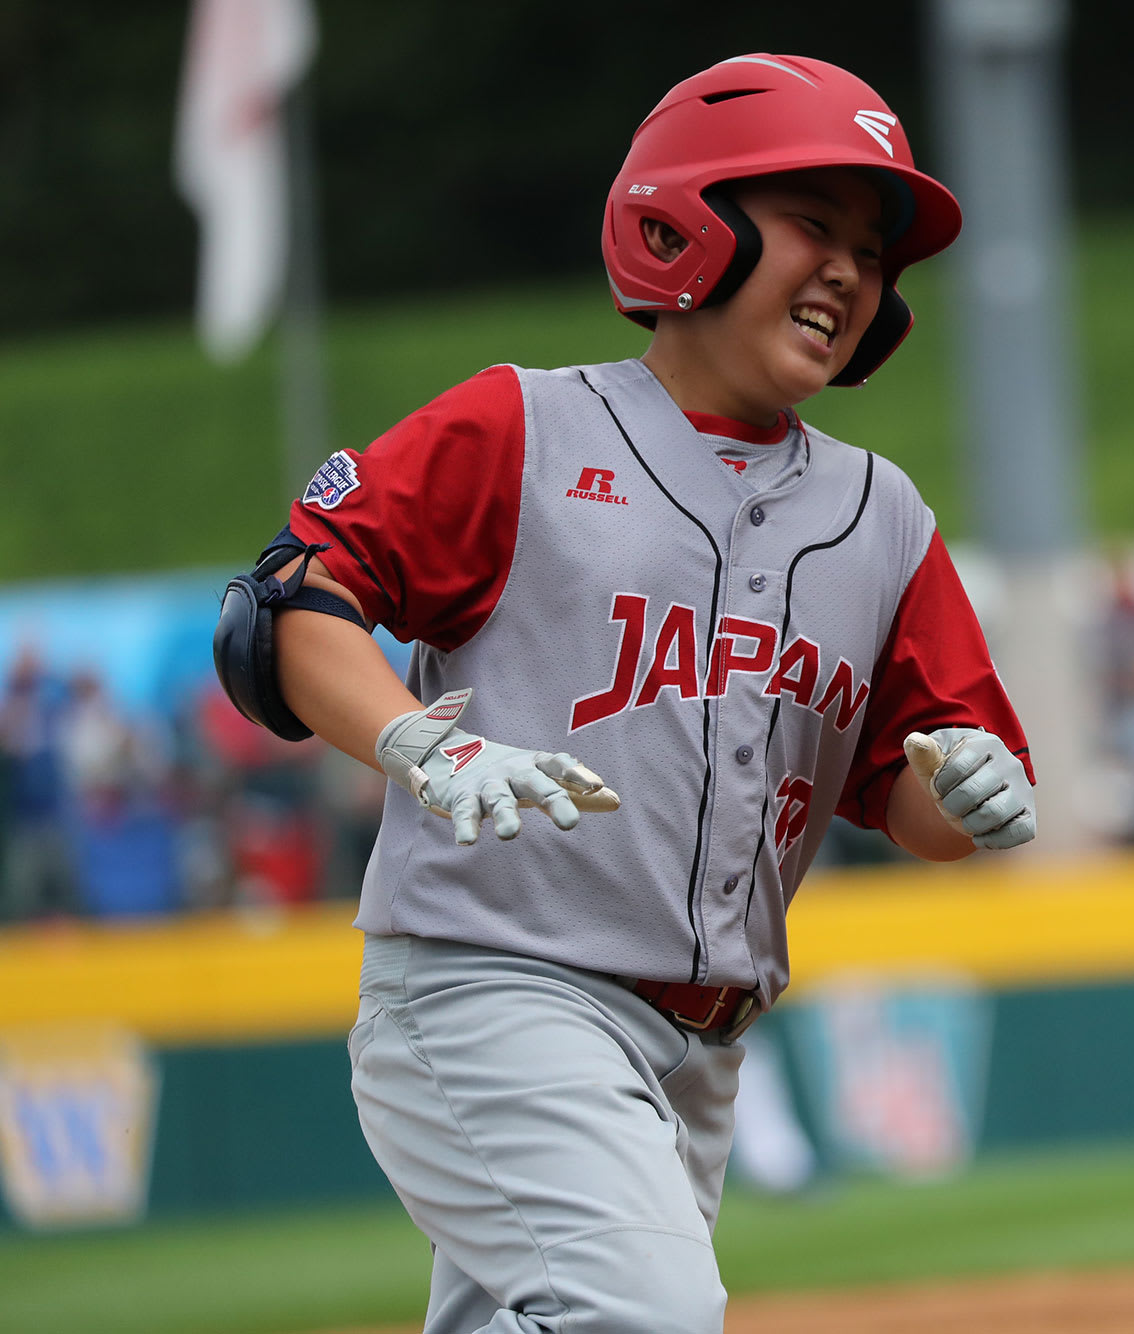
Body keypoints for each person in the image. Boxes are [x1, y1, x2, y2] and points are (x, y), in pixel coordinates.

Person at [212, 54, 1035, 1332]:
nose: (846, 272)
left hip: (701, 1054)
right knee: (644, 1314)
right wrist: (415, 744)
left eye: (870, 254)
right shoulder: (524, 429)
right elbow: (284, 604)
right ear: (680, 224)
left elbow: (916, 799)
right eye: (812, 225)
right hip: (494, 990)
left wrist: (967, 789)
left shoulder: (882, 518)